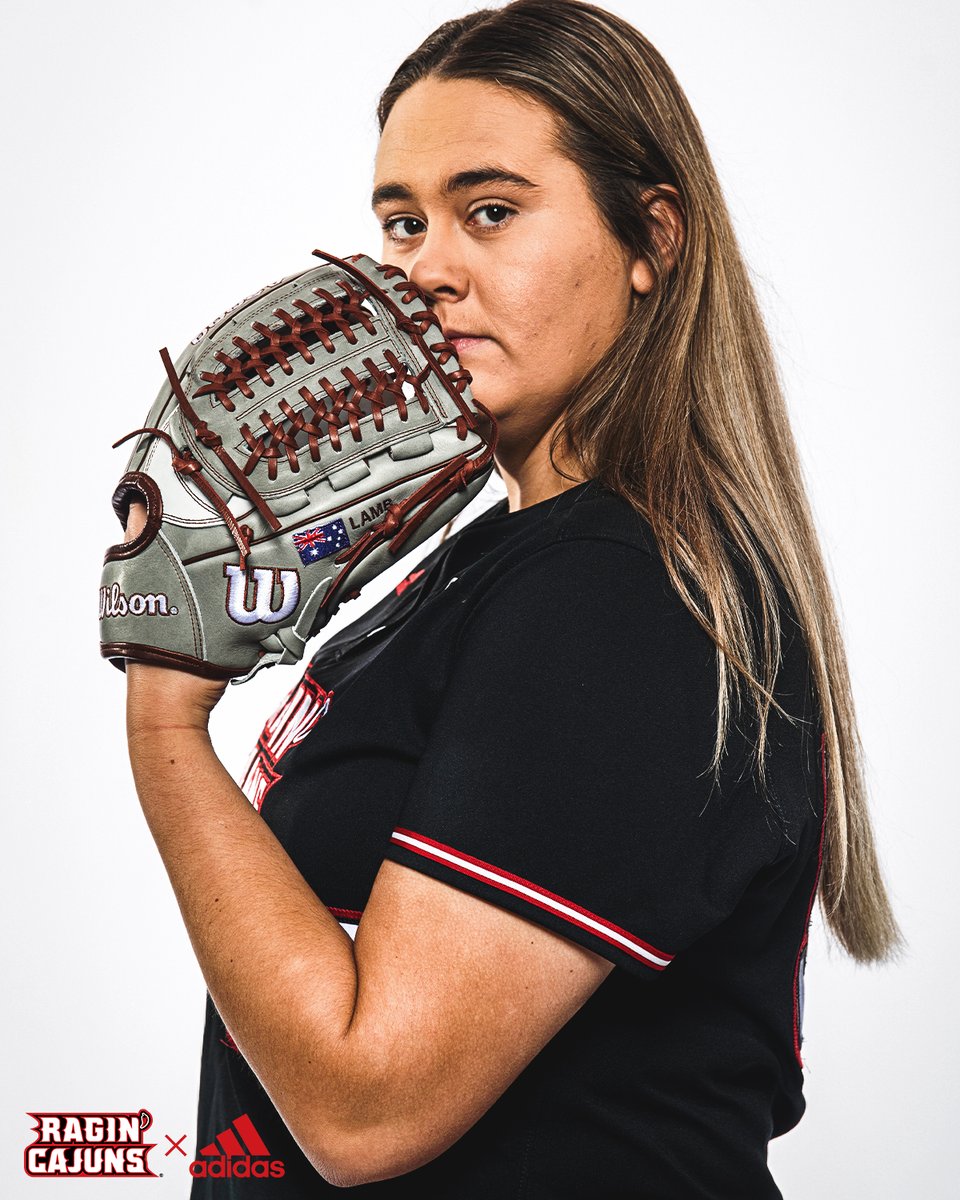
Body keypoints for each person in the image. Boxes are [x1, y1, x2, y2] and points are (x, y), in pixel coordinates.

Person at [121, 1, 903, 1194]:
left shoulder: (619, 596)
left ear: (652, 241)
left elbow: (365, 1106)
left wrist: (164, 718)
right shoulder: (501, 561)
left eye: (489, 211)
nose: (425, 268)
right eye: (402, 221)